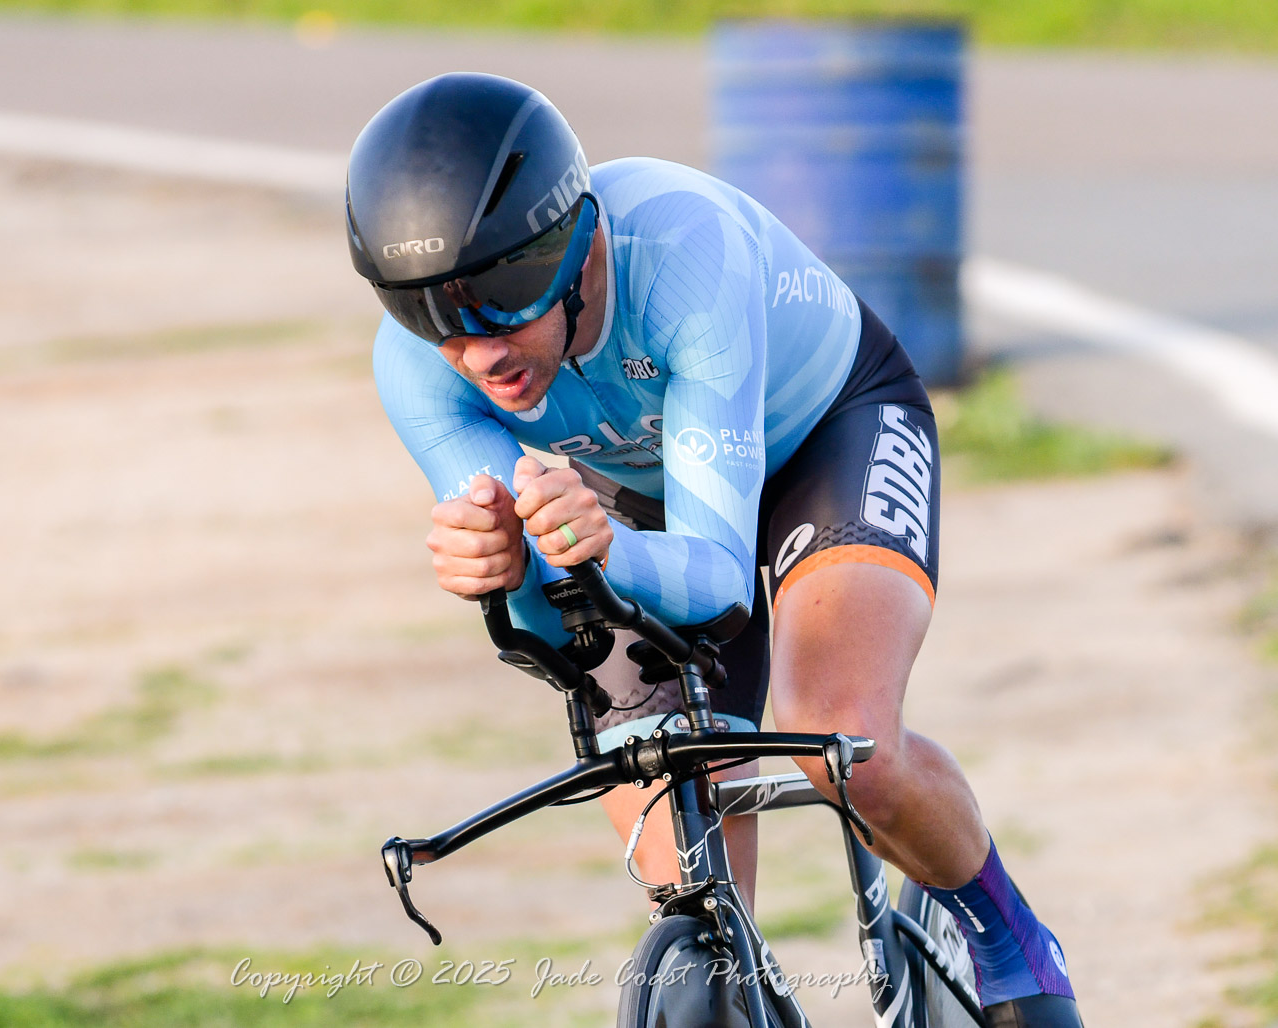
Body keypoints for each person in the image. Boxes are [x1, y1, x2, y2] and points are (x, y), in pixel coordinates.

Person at [346, 71, 1083, 1028]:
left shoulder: (681, 253)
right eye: (426, 311)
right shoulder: (416, 366)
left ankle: (1009, 938)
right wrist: (507, 575)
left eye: (502, 296)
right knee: (659, 782)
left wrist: (596, 553)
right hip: (638, 495)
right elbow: (553, 638)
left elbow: (715, 584)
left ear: (575, 243)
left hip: (825, 432)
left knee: (842, 736)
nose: (476, 349)